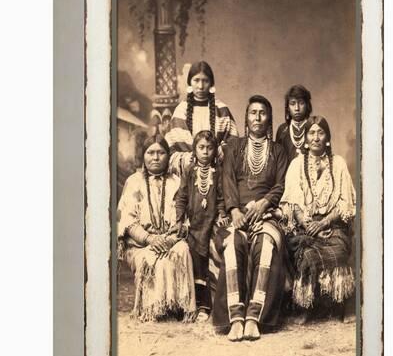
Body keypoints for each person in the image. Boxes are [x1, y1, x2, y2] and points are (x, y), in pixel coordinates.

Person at [212, 95, 288, 341]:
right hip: (238, 215)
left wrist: (264, 203)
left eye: (262, 113)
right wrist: (234, 210)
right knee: (233, 244)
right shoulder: (235, 146)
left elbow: (281, 184)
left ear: (269, 118)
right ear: (246, 117)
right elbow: (227, 180)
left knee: (265, 244)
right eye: (253, 112)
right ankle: (235, 318)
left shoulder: (278, 150)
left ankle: (255, 317)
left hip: (266, 214)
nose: (257, 117)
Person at [280, 116, 356, 322]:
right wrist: (308, 224)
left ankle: (341, 303)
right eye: (311, 133)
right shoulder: (296, 165)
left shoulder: (338, 163)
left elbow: (345, 201)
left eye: (320, 133)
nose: (316, 137)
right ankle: (308, 306)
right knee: (306, 255)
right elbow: (293, 202)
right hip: (306, 226)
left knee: (339, 251)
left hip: (333, 225)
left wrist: (324, 223)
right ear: (305, 138)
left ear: (327, 137)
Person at [117, 135, 196, 322]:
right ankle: (156, 308)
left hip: (171, 239)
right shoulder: (133, 181)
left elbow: (185, 218)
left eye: (161, 153)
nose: (155, 157)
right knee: (154, 257)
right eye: (150, 152)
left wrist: (170, 240)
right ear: (143, 156)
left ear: (168, 156)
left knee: (183, 249)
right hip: (141, 243)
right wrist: (150, 239)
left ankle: (180, 305)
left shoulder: (177, 182)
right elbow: (127, 221)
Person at [176, 131, 229, 322]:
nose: (205, 152)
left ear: (215, 150)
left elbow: (222, 196)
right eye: (201, 148)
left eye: (209, 148)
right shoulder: (189, 171)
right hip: (194, 224)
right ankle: (199, 305)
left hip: (212, 222)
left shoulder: (219, 172)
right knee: (196, 263)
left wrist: (222, 214)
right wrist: (180, 219)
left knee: (213, 260)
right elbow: (181, 197)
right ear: (194, 149)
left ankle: (215, 304)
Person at [165, 61, 239, 174]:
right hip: (188, 173)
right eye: (196, 80)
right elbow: (170, 148)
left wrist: (219, 152)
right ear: (189, 82)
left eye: (205, 81)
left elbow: (234, 143)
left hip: (218, 171)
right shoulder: (181, 111)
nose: (200, 86)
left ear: (211, 84)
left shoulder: (222, 109)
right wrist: (189, 159)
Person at [276, 85, 312, 164]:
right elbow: (278, 161)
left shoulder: (313, 128)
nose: (297, 108)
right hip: (287, 175)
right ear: (288, 108)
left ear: (307, 105)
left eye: (301, 103)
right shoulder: (282, 130)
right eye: (292, 103)